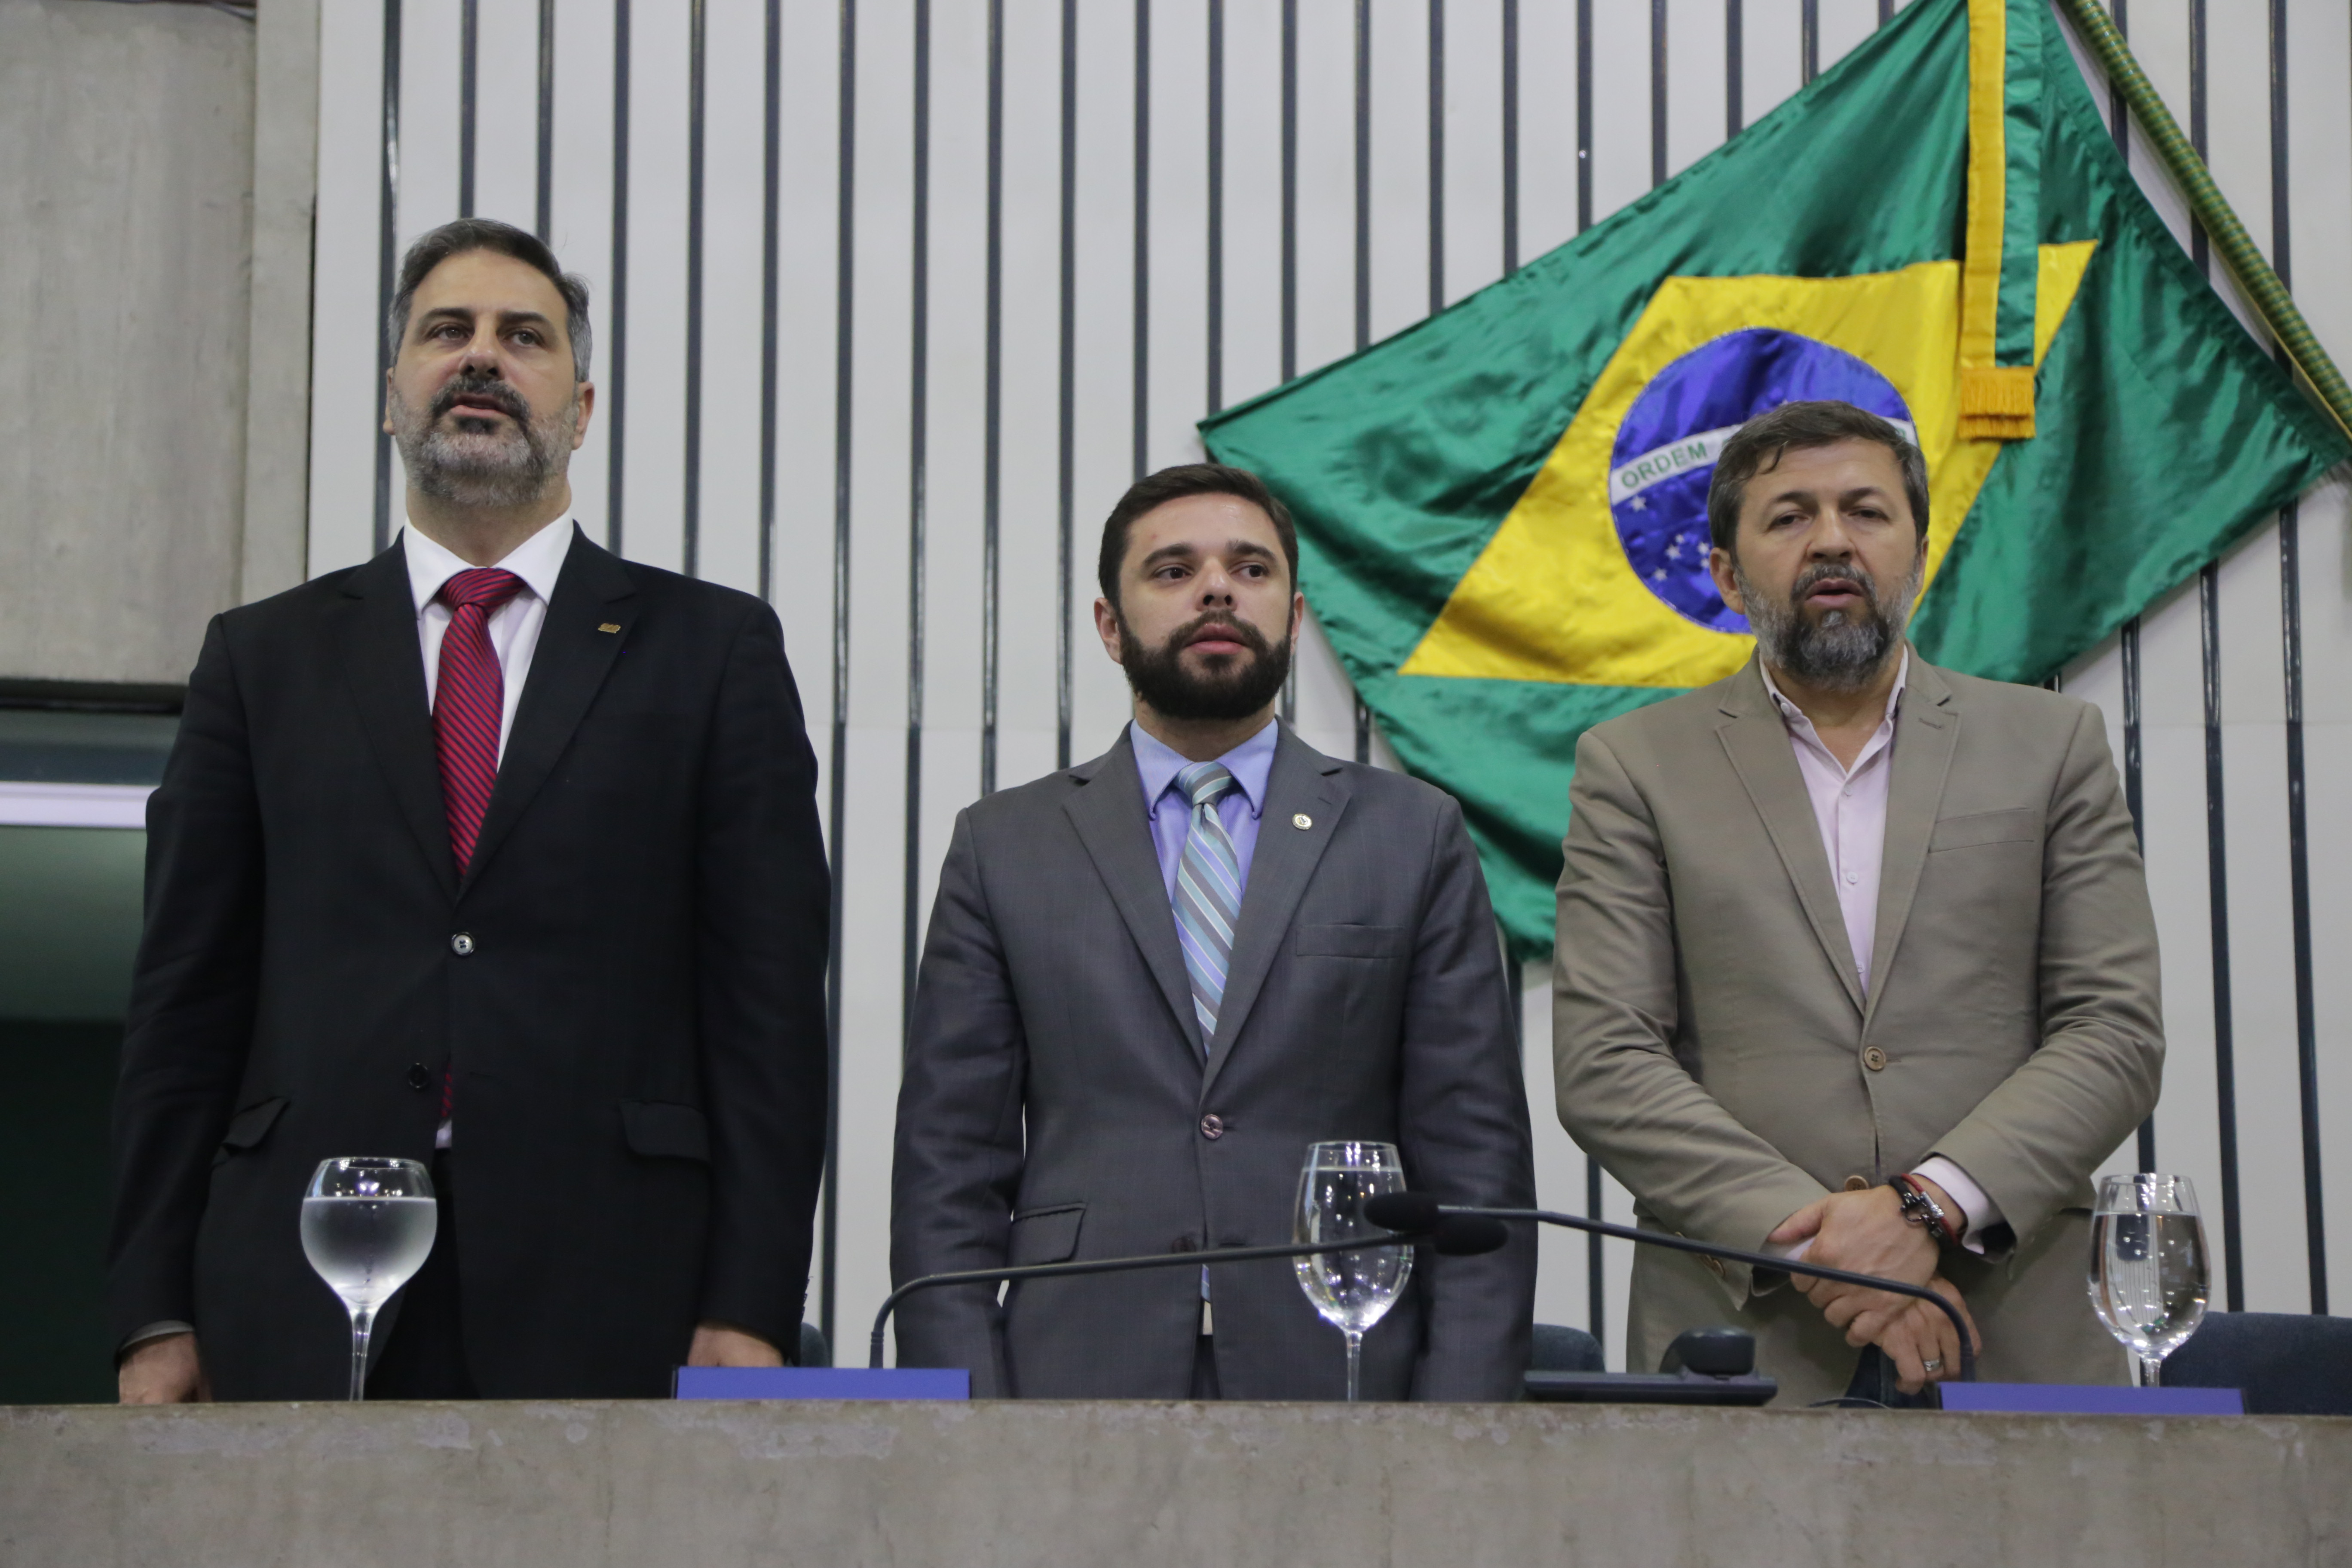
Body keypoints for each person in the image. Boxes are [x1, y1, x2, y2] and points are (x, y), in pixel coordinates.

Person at [109, 218, 830, 1402]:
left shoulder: (714, 652)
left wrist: (748, 1308)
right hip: (293, 1284)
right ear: (392, 395)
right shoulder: (261, 660)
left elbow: (769, 1015)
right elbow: (183, 1007)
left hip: (622, 1286)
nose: (483, 356)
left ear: (581, 409)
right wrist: (153, 1311)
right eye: (448, 332)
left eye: (524, 337)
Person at [1553, 399, 2162, 1407]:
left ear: (1918, 554)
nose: (1832, 540)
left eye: (1866, 512)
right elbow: (1606, 1063)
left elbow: (2114, 1030)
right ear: (1726, 575)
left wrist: (1923, 1208)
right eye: (1790, 516)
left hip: (2013, 1323)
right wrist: (1832, 1254)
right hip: (1746, 1334)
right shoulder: (1634, 766)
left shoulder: (2052, 746)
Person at [891, 462, 1536, 1400]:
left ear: (1295, 617)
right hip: (1073, 1367)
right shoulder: (1005, 846)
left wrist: (1462, 1424)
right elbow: (948, 1170)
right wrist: (964, 1416)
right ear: (1110, 626)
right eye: (1173, 571)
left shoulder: (1411, 834)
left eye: (1251, 568)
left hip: (1342, 1362)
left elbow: (1476, 1164)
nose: (1218, 590)